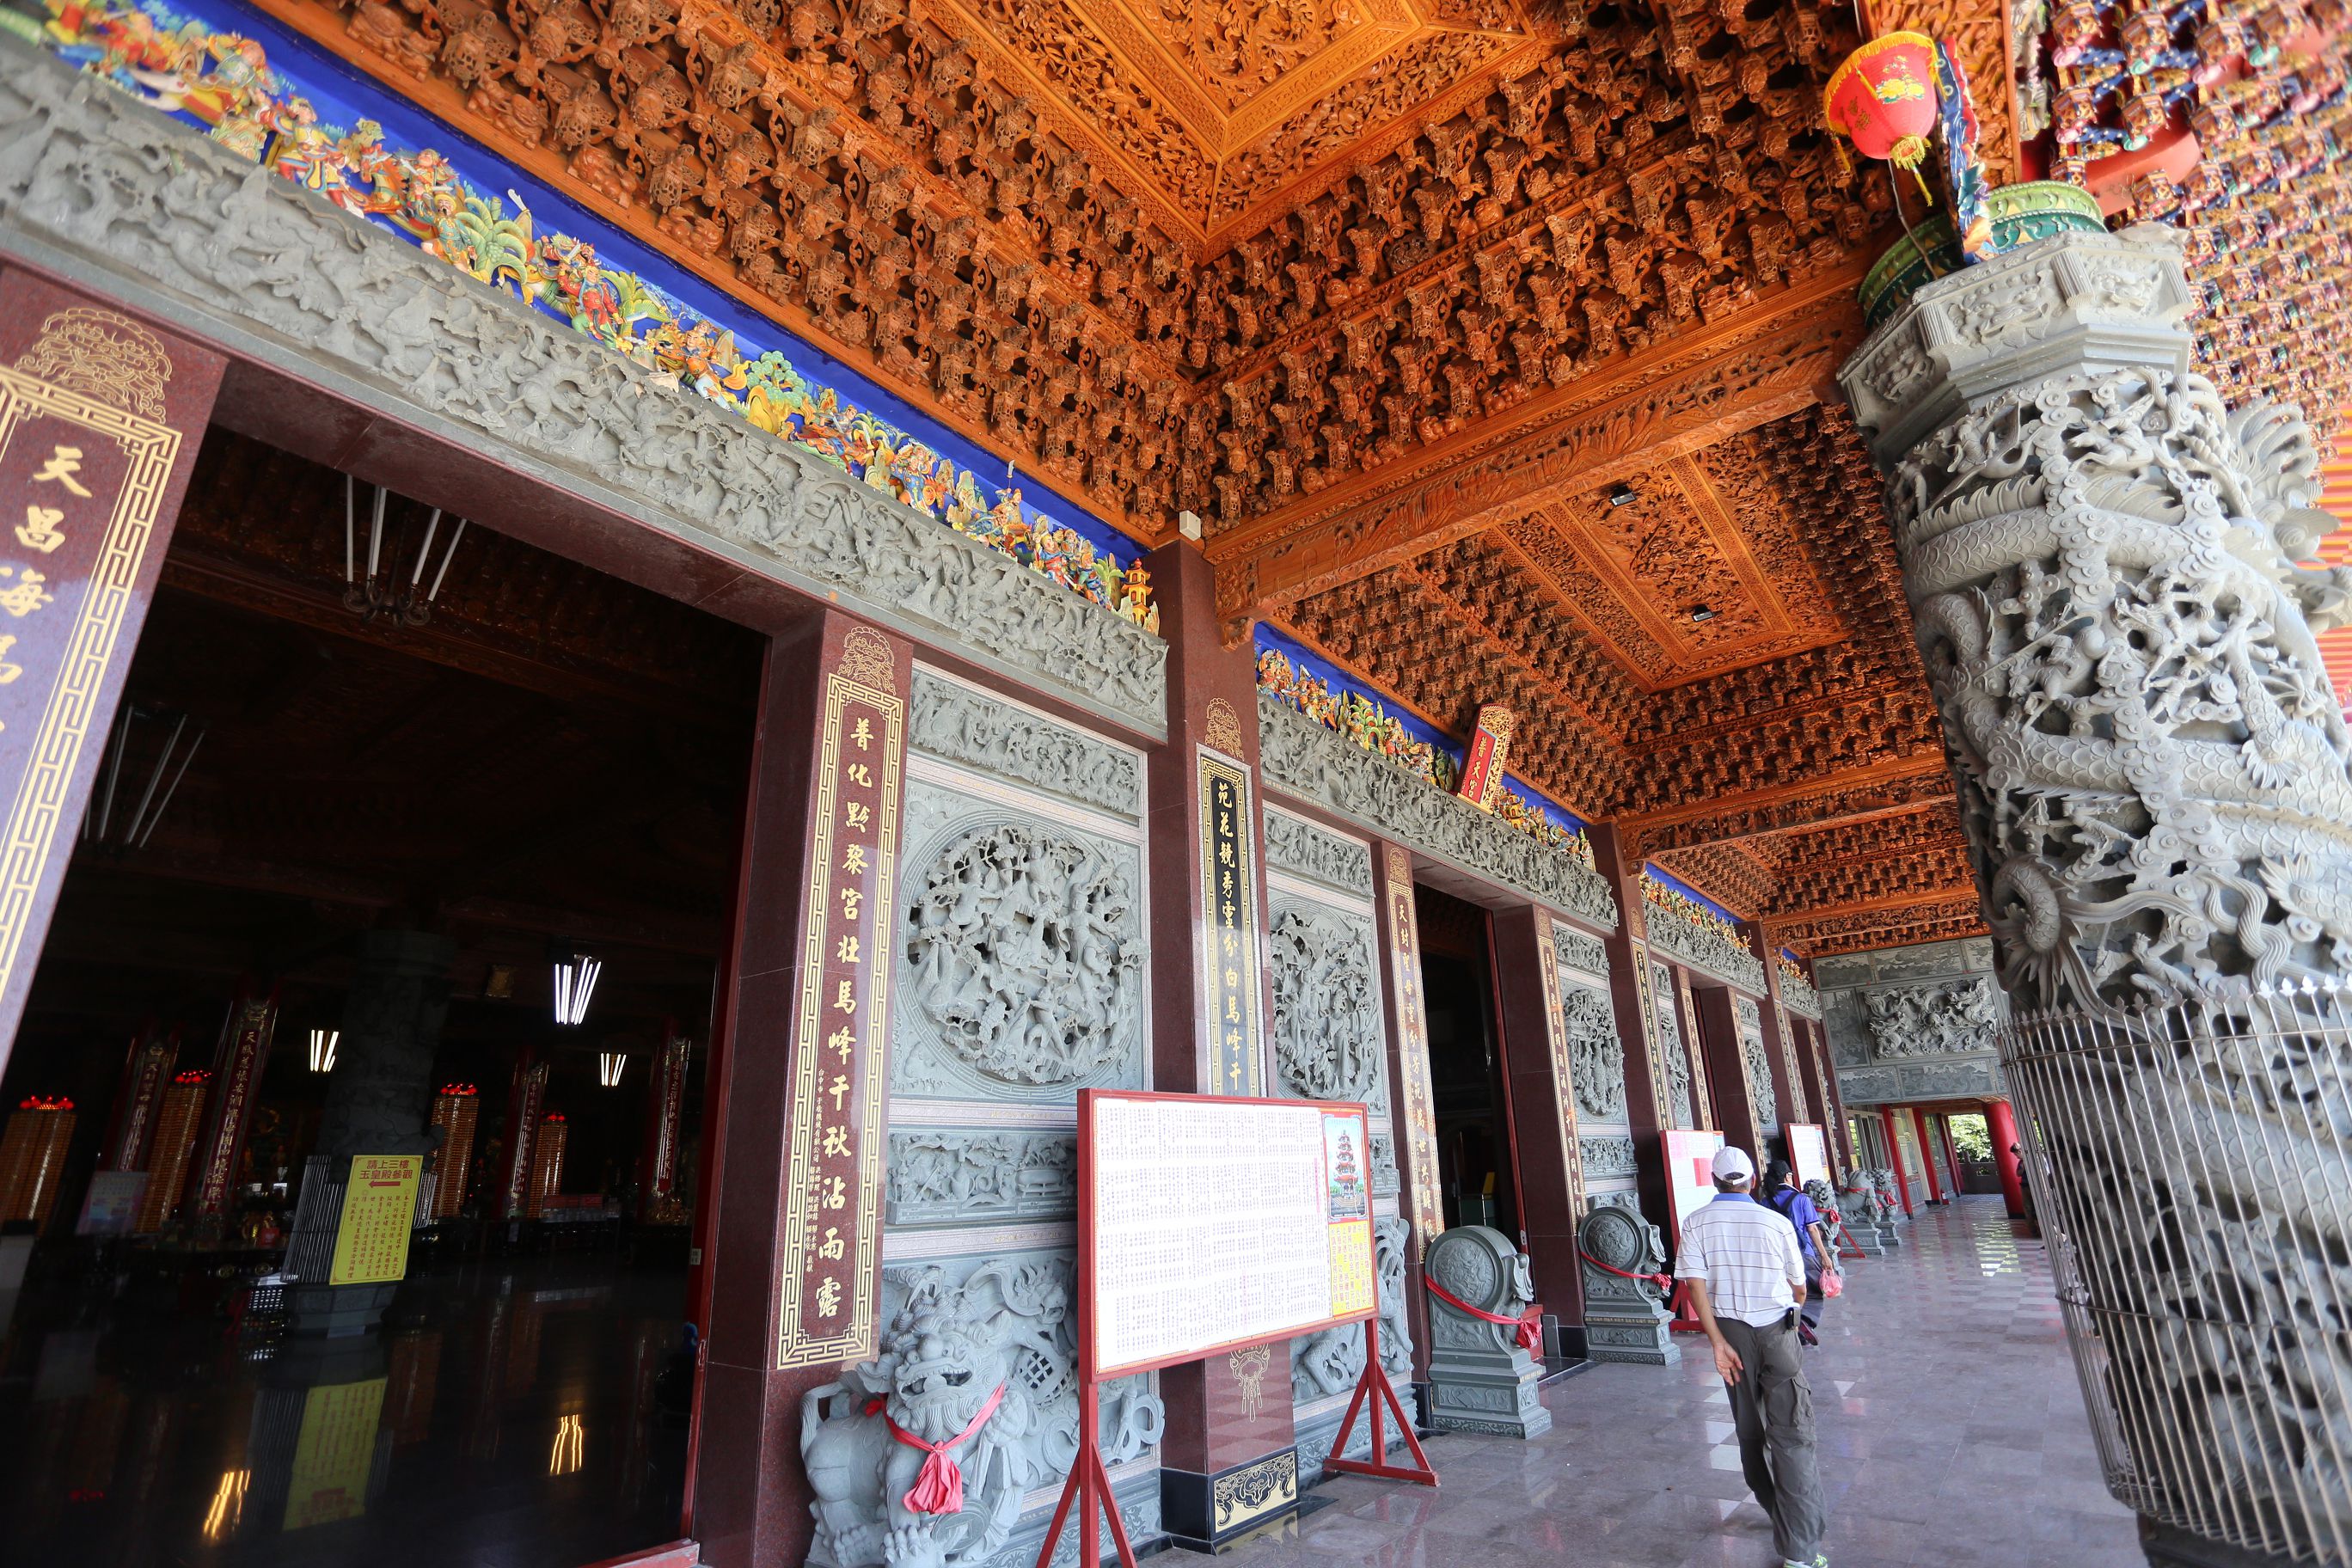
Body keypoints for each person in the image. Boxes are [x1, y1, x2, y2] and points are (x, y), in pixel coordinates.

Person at [1675, 1145, 1828, 1568]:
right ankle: (1800, 1549)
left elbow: (1695, 1286)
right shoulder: (1775, 1222)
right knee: (1793, 1432)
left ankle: (1779, 1514)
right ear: (1752, 1181)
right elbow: (1799, 1286)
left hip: (1731, 1336)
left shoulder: (1695, 1222)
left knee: (1749, 1429)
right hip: (1778, 1332)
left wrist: (1716, 1342)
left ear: (1713, 1181)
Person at [1766, 1159, 1836, 1344]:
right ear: (1788, 1177)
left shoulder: (1765, 1201)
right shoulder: (1802, 1199)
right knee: (1812, 1291)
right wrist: (1824, 1255)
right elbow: (1812, 1229)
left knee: (1786, 1292)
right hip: (1802, 1253)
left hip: (1776, 1256)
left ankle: (1789, 1326)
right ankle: (1803, 1322)